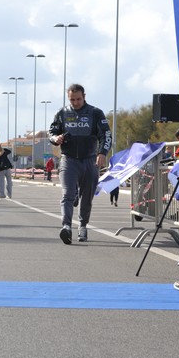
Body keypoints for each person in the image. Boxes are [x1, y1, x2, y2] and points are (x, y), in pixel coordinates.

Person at [48, 84, 112, 244]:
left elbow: (106, 135)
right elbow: (52, 132)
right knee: (67, 194)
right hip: (68, 160)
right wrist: (56, 139)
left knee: (86, 196)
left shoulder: (95, 113)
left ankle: (82, 226)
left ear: (84, 96)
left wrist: (102, 152)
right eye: (72, 100)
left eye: (78, 99)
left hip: (90, 160)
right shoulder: (62, 113)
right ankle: (67, 227)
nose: (75, 103)